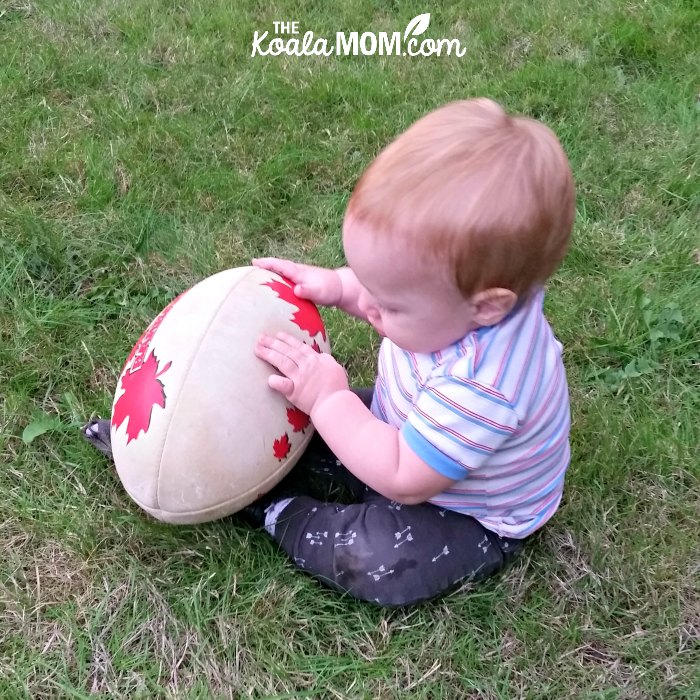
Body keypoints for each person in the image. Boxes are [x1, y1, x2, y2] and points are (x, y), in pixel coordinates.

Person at [85, 98, 575, 606]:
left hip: (461, 508)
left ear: (487, 307)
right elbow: (384, 301)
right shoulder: (460, 300)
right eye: (367, 285)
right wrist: (340, 287)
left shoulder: (486, 383)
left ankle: (272, 507)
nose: (371, 306)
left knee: (378, 560)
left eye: (389, 304)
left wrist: (330, 401)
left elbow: (404, 477)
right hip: (404, 424)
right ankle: (188, 456)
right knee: (281, 413)